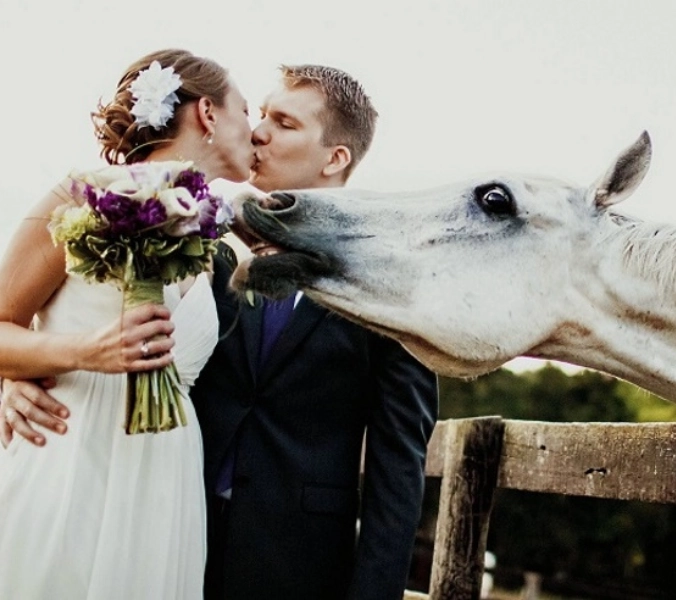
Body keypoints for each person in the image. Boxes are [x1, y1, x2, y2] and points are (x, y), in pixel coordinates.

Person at [1, 64, 439, 600]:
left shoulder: (391, 286)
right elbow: (67, 317)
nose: (259, 133)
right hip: (170, 524)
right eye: (260, 115)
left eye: (283, 123)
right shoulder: (203, 244)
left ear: (335, 158)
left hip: (295, 563)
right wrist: (18, 375)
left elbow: (399, 463)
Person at [0, 48, 255, 599]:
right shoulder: (81, 195)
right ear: (207, 112)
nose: (255, 132)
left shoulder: (212, 243)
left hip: (165, 476)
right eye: (246, 111)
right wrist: (79, 353)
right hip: (71, 453)